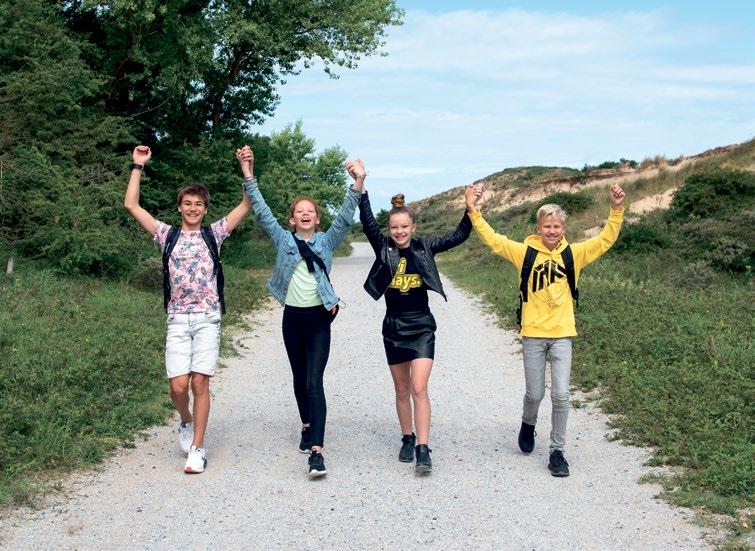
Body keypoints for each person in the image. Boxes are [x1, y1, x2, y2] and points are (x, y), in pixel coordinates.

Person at [465, 183, 625, 477]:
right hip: (533, 334)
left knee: (561, 395)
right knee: (535, 394)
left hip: (563, 333)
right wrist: (474, 212)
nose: (552, 231)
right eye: (547, 226)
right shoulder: (524, 252)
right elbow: (494, 240)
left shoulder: (574, 254)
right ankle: (528, 423)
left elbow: (605, 240)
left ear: (564, 229)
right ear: (538, 228)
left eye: (557, 226)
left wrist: (616, 209)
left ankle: (557, 452)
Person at [124, 145, 252, 474]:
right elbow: (132, 205)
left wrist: (246, 169)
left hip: (208, 318)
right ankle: (185, 419)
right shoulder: (165, 234)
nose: (193, 209)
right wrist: (138, 166)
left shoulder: (214, 233)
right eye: (187, 203)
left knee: (200, 383)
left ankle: (198, 448)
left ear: (205, 209)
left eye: (198, 204)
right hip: (178, 319)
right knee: (178, 386)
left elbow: (247, 204)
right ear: (179, 207)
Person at [238, 147, 365, 478]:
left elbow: (345, 217)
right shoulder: (283, 240)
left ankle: (317, 451)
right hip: (292, 320)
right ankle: (306, 424)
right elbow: (262, 211)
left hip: (319, 320)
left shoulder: (327, 241)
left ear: (317, 219)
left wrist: (358, 182)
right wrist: (248, 174)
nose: (306, 214)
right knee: (298, 377)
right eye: (300, 211)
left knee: (313, 380)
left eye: (311, 211)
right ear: (292, 220)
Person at [354, 173, 475, 474]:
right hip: (394, 327)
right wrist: (361, 185)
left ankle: (423, 447)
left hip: (421, 326)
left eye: (404, 227)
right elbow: (368, 223)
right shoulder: (383, 246)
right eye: (394, 227)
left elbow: (458, 235)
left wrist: (470, 208)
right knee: (402, 389)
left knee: (419, 387)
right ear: (390, 229)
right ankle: (407, 438)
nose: (399, 232)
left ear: (413, 227)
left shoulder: (425, 246)